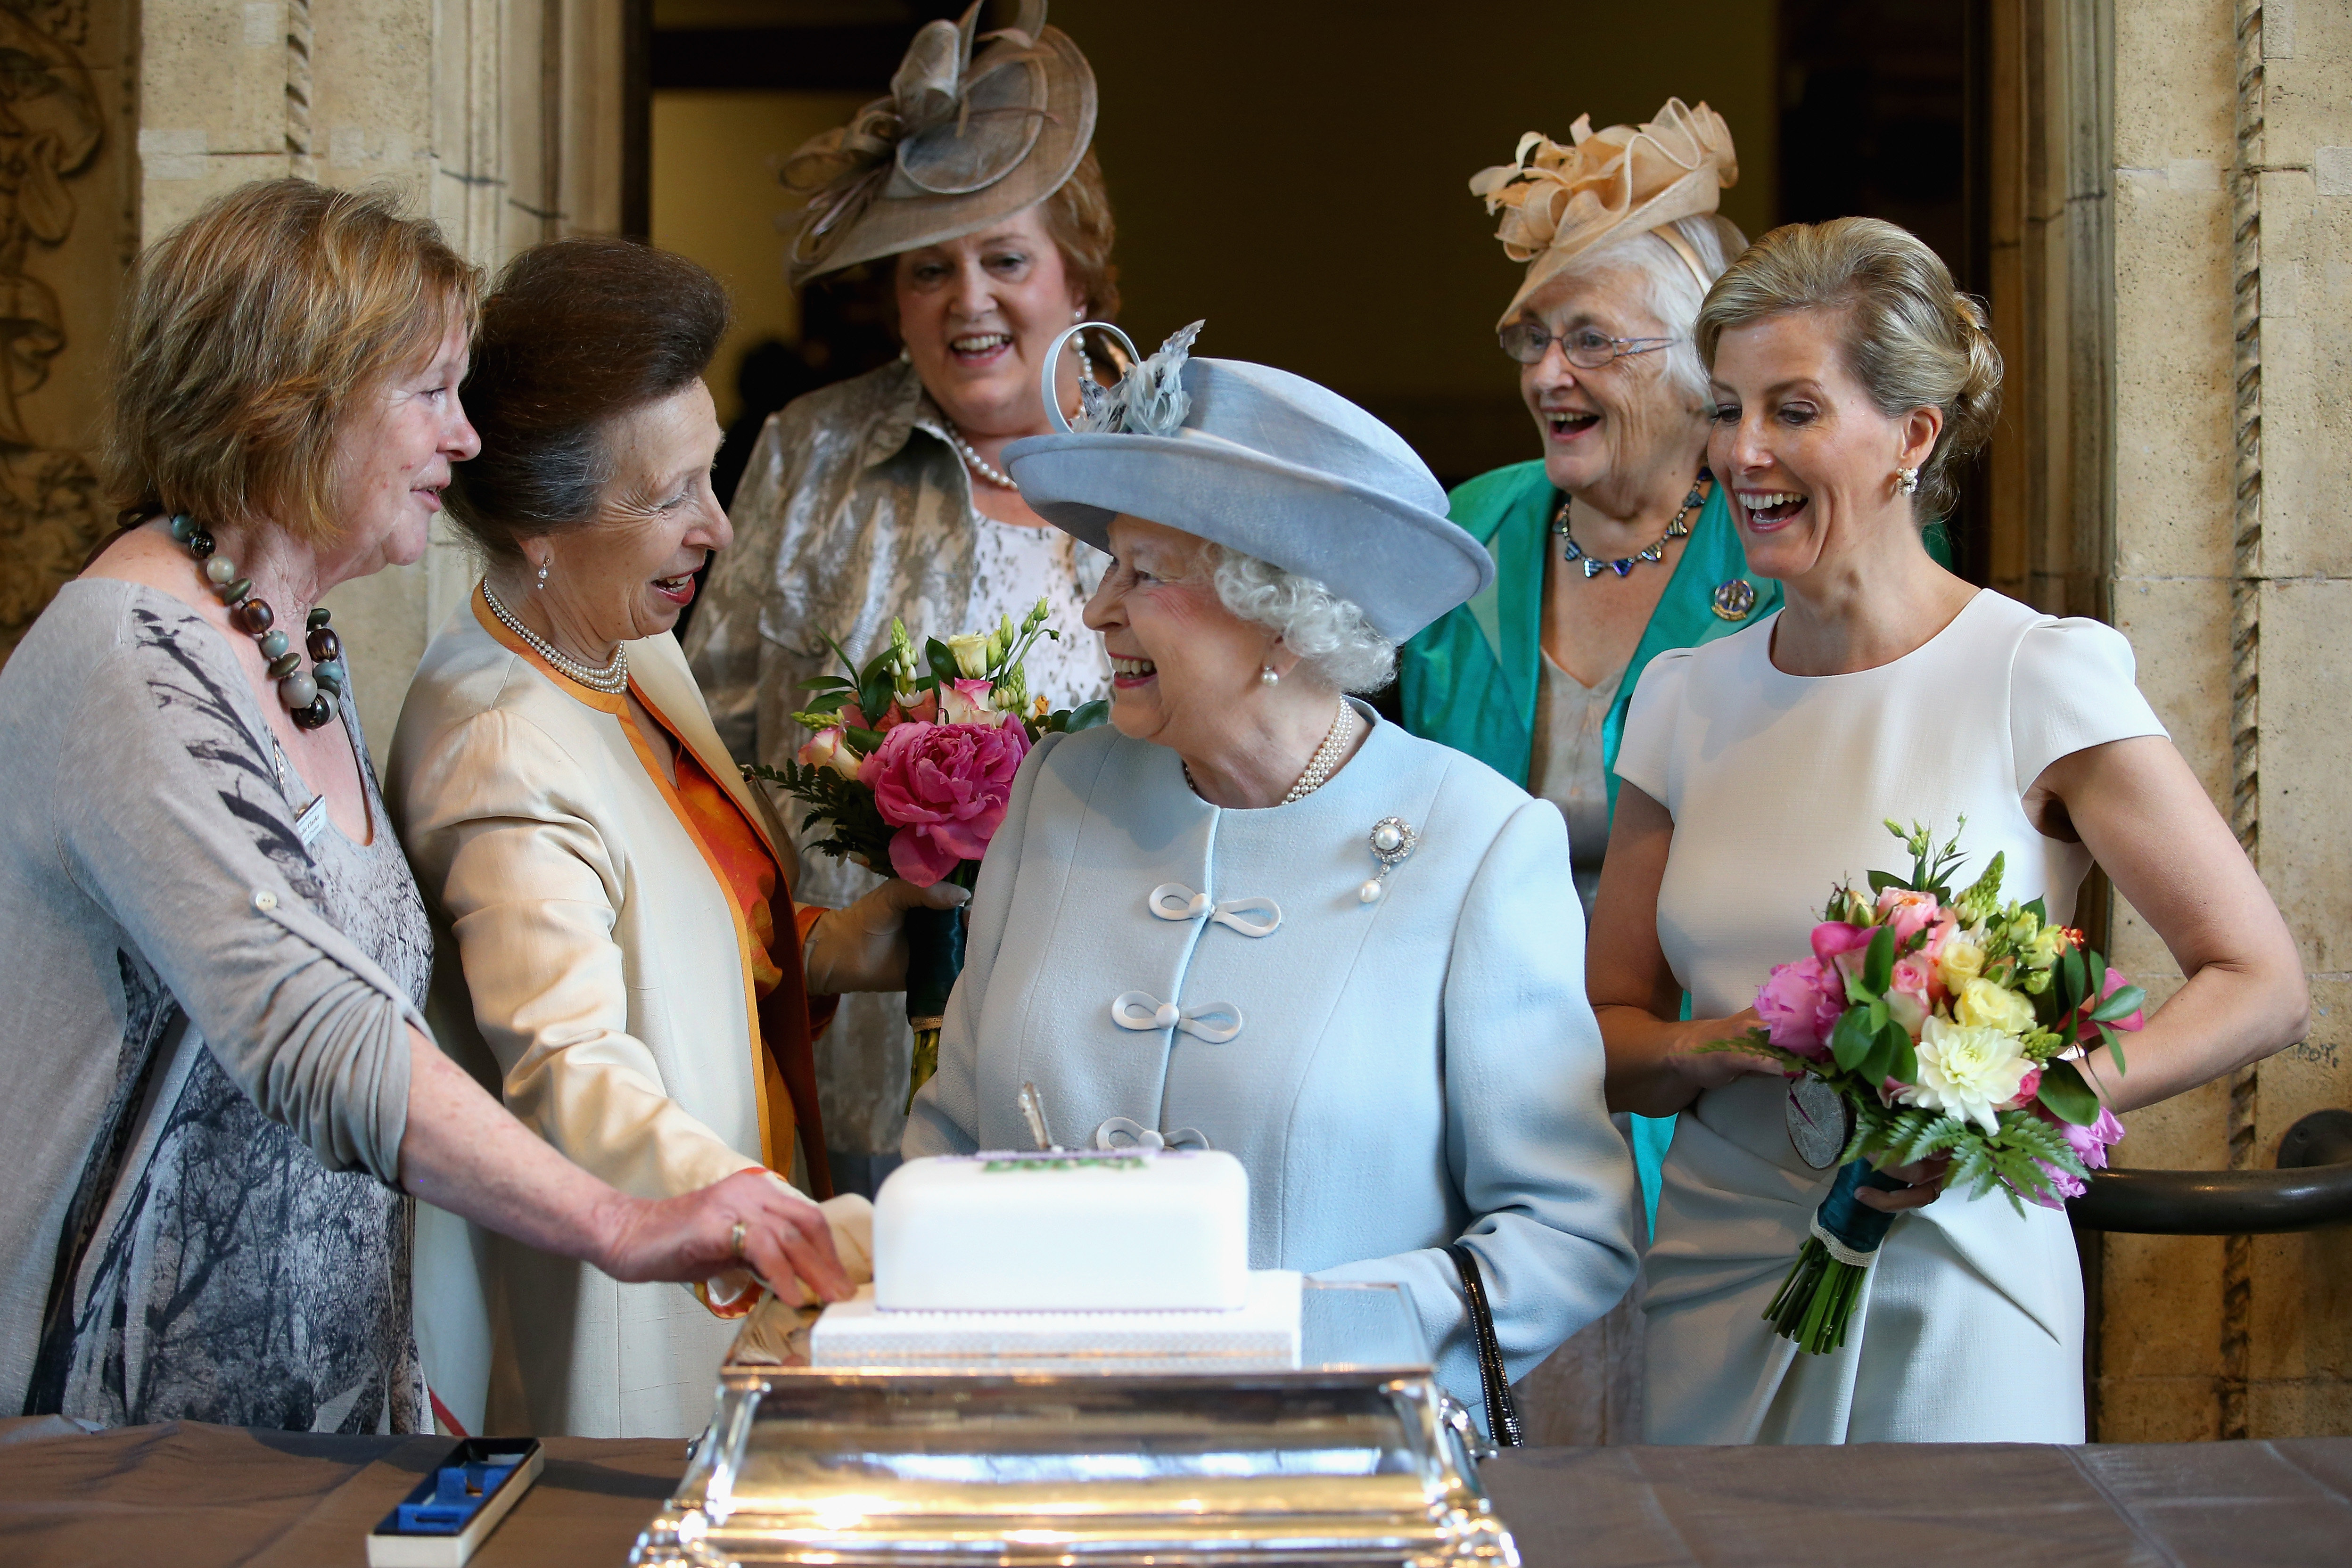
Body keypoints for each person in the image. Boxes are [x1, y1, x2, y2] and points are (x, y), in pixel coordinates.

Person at [0, 181, 848, 1433]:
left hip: (317, 1413)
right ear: (291, 397)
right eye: (431, 393)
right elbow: (314, 1031)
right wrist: (619, 1219)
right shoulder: (128, 659)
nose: (467, 446)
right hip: (129, 1420)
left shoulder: (299, 647)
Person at [1592, 217, 2309, 1444]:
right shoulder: (1678, 700)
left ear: (1910, 438)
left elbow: (2258, 982)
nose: (1741, 453)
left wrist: (2016, 1106)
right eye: (1724, 409)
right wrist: (1721, 1045)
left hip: (1955, 1275)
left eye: (1792, 410)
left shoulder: (2036, 674)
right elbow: (1609, 1035)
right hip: (1717, 1269)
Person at [902, 323, 1639, 1416]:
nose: (1098, 606)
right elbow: (948, 1140)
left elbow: (1569, 1232)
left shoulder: (1478, 842)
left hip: (1326, 1458)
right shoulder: (1058, 788)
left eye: (1144, 571)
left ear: (1278, 617)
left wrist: (1317, 1333)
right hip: (1042, 1440)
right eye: (1108, 564)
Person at [387, 238, 966, 1439]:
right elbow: (572, 1067)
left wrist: (856, 938)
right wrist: (757, 1212)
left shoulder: (621, 644)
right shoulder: (501, 743)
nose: (719, 528)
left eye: (715, 478)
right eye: (671, 498)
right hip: (638, 1310)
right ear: (544, 521)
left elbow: (687, 932)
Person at [686, 0, 1118, 1180]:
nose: (967, 299)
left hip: (1106, 1035)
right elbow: (713, 744)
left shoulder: (1161, 470)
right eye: (930, 268)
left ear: (1078, 274)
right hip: (863, 1048)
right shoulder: (810, 451)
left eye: (1005, 259)